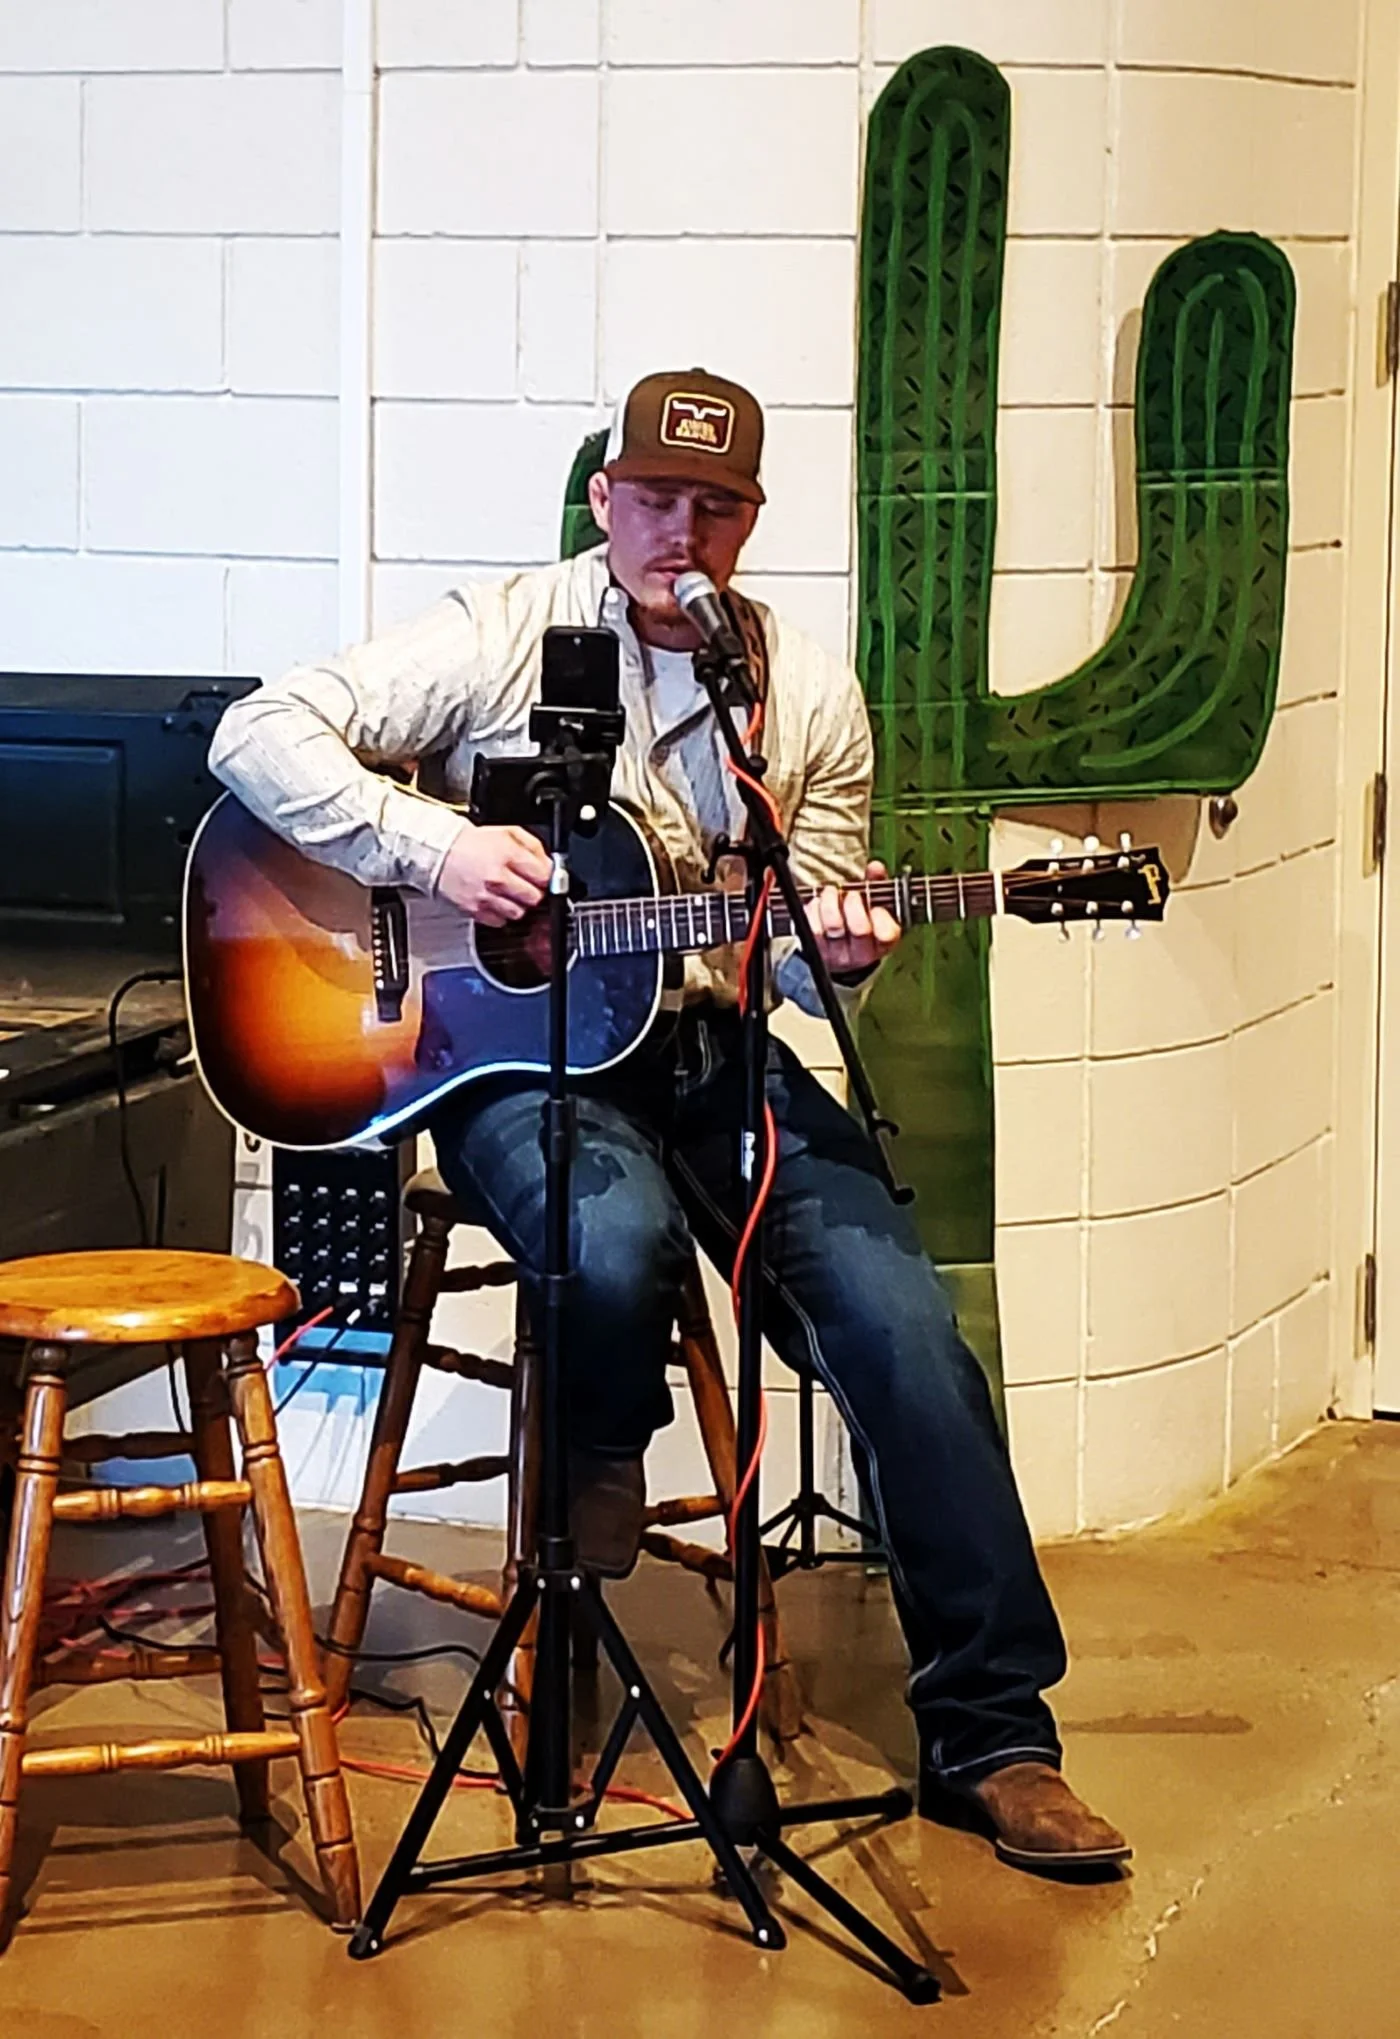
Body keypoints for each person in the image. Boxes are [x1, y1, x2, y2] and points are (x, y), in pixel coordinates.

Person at [208, 367, 1128, 1874]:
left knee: (905, 1332)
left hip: (709, 1051)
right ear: (605, 498)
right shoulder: (509, 628)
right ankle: (584, 1514)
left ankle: (997, 1734)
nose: (678, 530)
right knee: (612, 1235)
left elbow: (779, 936)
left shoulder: (801, 693)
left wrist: (827, 954)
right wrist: (435, 850)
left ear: (751, 519)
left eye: (713, 505)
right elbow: (260, 732)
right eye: (654, 497)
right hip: (506, 1057)